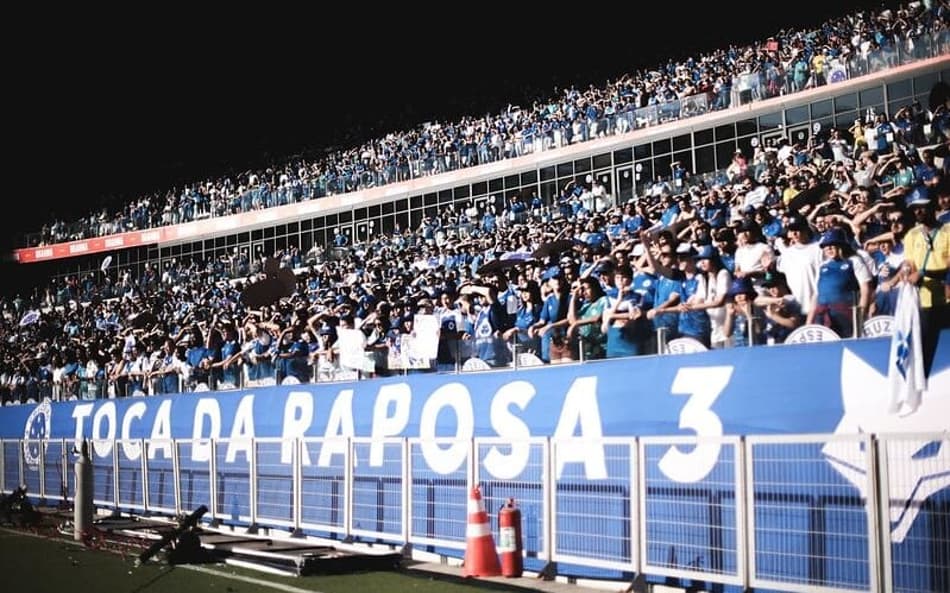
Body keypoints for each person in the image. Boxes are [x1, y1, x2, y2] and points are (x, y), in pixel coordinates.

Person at [899, 185, 949, 376]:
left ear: (932, 206)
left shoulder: (947, 231)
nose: (918, 211)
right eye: (915, 208)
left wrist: (923, 273)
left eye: (923, 206)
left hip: (945, 300)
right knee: (924, 350)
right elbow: (909, 262)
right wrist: (905, 270)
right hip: (922, 302)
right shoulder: (912, 235)